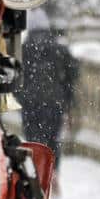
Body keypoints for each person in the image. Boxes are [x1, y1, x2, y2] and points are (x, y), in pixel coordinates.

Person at [17, 22, 80, 166]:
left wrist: (20, 97)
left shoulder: (23, 49)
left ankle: (37, 169)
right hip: (54, 102)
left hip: (30, 103)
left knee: (33, 139)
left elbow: (14, 76)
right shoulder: (59, 49)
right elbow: (73, 73)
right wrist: (66, 97)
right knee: (53, 139)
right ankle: (52, 171)